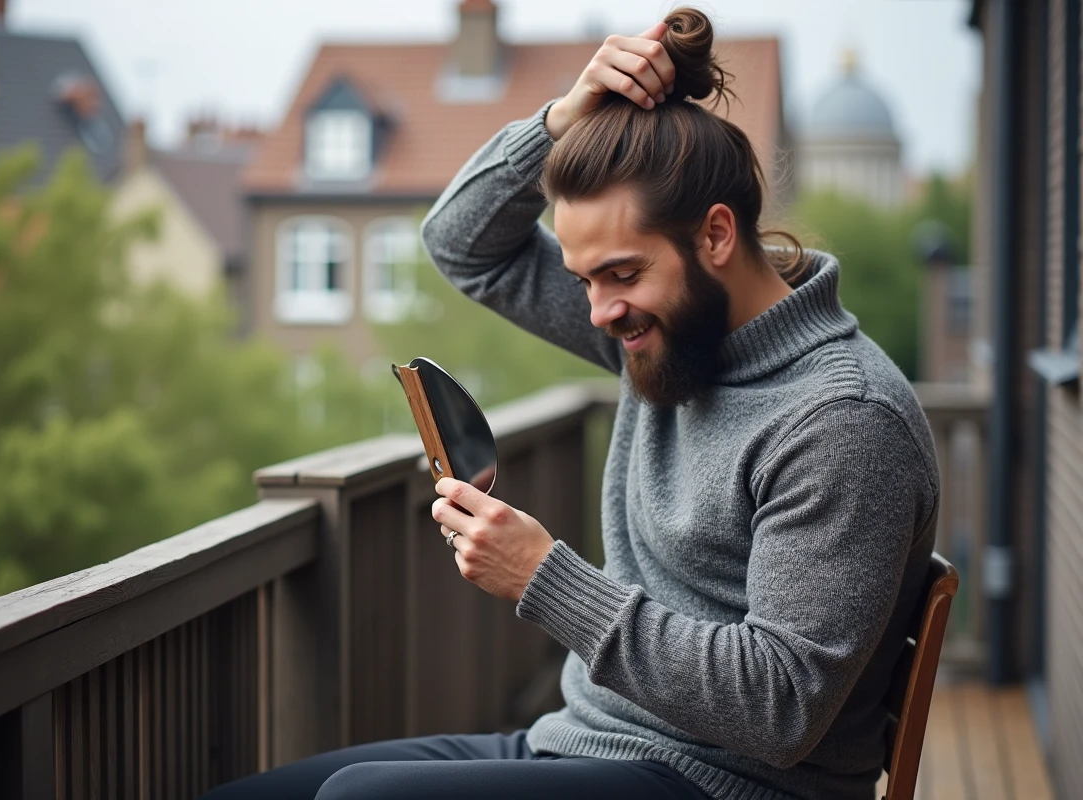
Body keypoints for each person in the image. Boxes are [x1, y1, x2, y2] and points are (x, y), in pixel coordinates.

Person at [202, 7, 938, 800]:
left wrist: (542, 576)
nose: (597, 312)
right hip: (583, 743)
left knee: (358, 799)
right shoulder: (668, 338)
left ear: (716, 236)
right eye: (585, 280)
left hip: (723, 784)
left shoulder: (843, 421)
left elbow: (782, 706)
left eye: (620, 273)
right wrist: (563, 118)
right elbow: (462, 244)